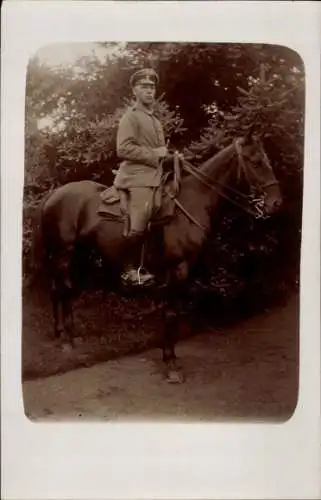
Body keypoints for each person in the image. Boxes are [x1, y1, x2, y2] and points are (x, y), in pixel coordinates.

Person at [113, 68, 169, 286]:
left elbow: (159, 151)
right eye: (144, 87)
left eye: (152, 87)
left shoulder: (155, 120)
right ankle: (128, 271)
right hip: (136, 178)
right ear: (135, 90)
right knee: (140, 220)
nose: (149, 90)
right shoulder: (131, 117)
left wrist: (171, 156)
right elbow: (124, 148)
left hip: (156, 175)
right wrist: (156, 154)